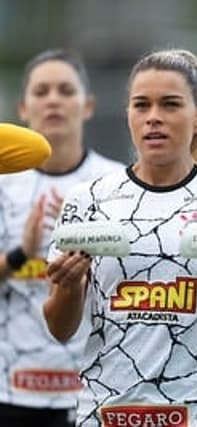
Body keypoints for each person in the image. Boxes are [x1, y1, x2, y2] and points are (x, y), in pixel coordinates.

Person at [43, 49, 197, 427]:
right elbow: (59, 328)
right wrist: (69, 289)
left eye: (170, 105)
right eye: (142, 105)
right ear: (129, 115)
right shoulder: (86, 200)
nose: (154, 117)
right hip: (106, 414)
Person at [0, 49, 123, 427]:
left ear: (87, 106)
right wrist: (21, 253)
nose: (53, 99)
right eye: (42, 91)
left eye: (66, 90)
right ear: (23, 107)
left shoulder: (116, 184)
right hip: (10, 386)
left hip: (94, 388)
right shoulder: (4, 184)